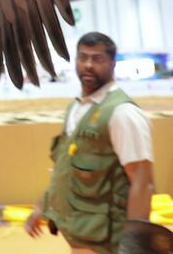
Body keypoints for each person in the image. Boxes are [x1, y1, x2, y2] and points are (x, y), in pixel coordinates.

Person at [24, 32, 155, 254]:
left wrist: (134, 245)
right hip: (79, 230)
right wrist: (41, 207)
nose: (88, 65)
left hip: (106, 239)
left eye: (97, 59)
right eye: (82, 57)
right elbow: (63, 166)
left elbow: (142, 182)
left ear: (112, 63)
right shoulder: (76, 108)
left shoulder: (123, 113)